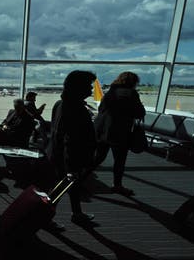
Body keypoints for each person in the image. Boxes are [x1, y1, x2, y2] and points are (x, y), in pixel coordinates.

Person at [47, 70, 97, 227]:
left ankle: (77, 213)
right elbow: (72, 138)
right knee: (60, 188)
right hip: (69, 158)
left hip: (60, 155)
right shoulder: (76, 109)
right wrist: (74, 164)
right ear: (78, 87)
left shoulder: (60, 104)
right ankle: (45, 217)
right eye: (88, 86)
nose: (91, 89)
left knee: (70, 186)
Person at [93, 71, 146, 196]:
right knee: (119, 161)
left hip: (103, 131)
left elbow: (101, 110)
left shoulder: (110, 92)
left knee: (98, 158)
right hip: (120, 133)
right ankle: (117, 185)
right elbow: (139, 113)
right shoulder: (132, 94)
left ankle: (79, 179)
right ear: (133, 82)